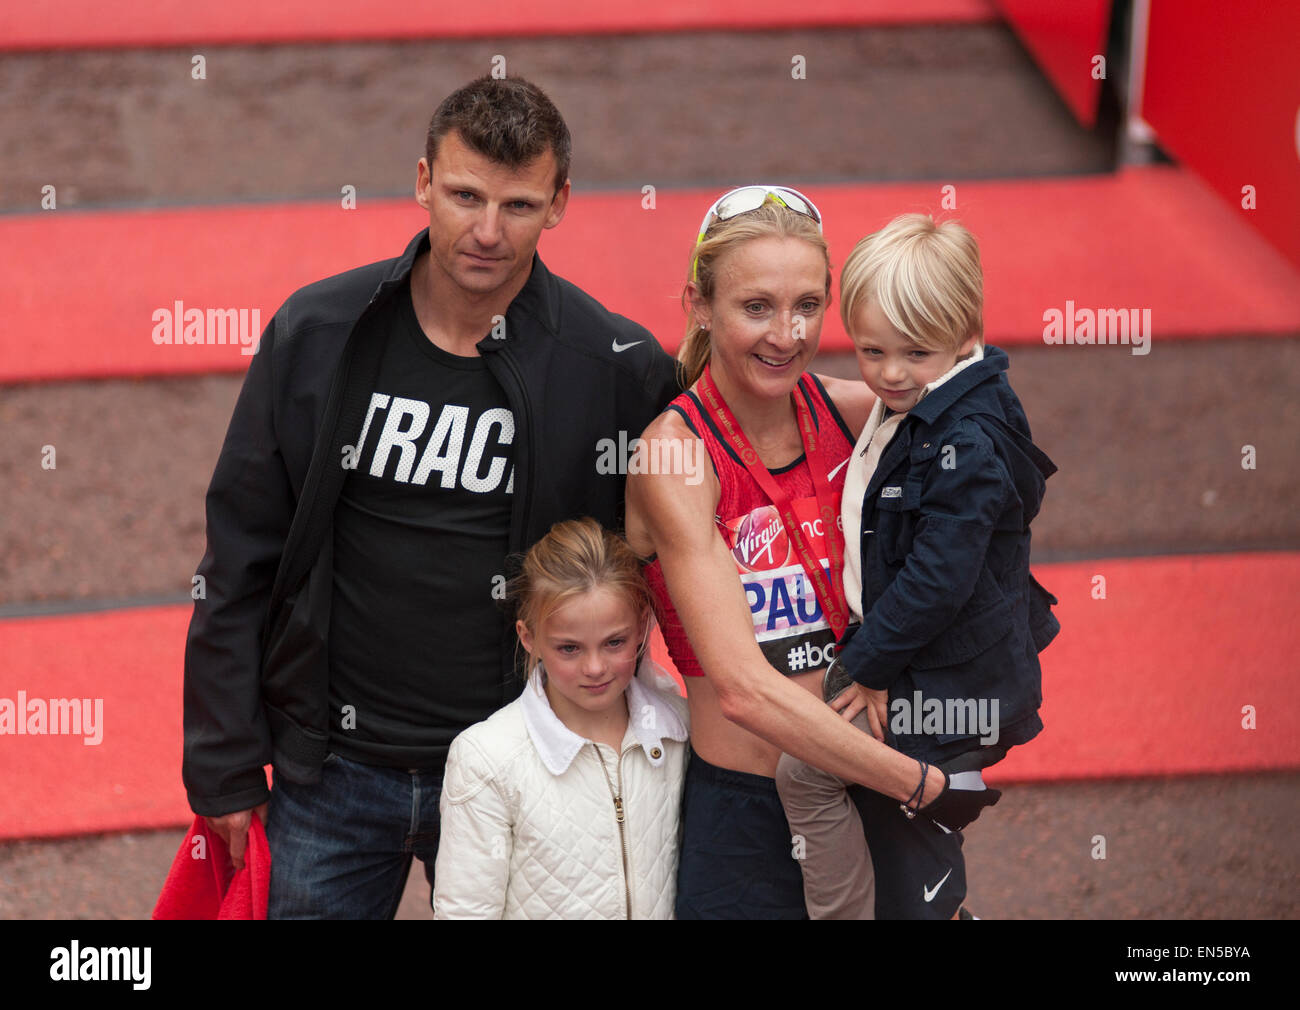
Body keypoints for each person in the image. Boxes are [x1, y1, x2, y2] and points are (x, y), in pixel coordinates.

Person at [182, 75, 680, 918]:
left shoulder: (615, 368)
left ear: (560, 202)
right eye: (463, 196)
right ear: (421, 182)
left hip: (527, 771)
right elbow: (240, 556)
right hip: (333, 772)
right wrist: (224, 759)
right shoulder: (318, 334)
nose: (486, 232)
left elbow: (678, 558)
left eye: (518, 205)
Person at [624, 186, 999, 920]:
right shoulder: (674, 455)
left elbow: (987, 431)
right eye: (756, 307)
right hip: (752, 816)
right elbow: (743, 689)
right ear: (698, 305)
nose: (786, 335)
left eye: (807, 305)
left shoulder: (857, 412)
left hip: (868, 790)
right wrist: (920, 785)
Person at [773, 213, 1060, 919]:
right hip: (930, 669)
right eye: (871, 350)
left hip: (946, 687)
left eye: (914, 353)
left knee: (887, 843)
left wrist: (867, 666)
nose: (890, 374)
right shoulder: (931, 396)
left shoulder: (965, 440)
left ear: (968, 336)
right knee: (852, 802)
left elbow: (938, 580)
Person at [432, 518, 688, 919]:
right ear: (528, 636)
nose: (595, 667)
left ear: (642, 626)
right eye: (569, 648)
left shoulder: (679, 729)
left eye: (614, 642)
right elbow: (465, 910)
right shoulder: (486, 758)